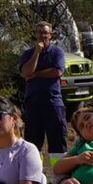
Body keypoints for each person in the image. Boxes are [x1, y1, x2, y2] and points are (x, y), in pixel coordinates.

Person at [18, 21, 69, 154]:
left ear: (50, 35)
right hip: (33, 104)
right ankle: (35, 173)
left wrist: (36, 74)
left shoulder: (57, 52)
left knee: (57, 142)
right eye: (40, 33)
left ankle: (60, 173)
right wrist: (36, 53)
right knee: (32, 145)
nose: (42, 36)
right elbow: (25, 72)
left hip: (53, 103)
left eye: (45, 33)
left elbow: (57, 71)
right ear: (36, 35)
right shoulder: (27, 54)